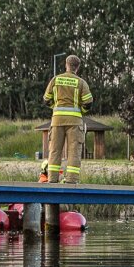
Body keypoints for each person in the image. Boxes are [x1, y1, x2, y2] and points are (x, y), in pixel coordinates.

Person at [43, 54, 93, 184]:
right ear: (78, 68)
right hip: (75, 122)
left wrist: (56, 108)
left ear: (66, 65)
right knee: (74, 151)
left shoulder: (56, 79)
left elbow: (46, 99)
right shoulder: (81, 82)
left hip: (57, 120)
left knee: (54, 150)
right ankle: (71, 180)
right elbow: (88, 102)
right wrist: (81, 111)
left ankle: (52, 179)